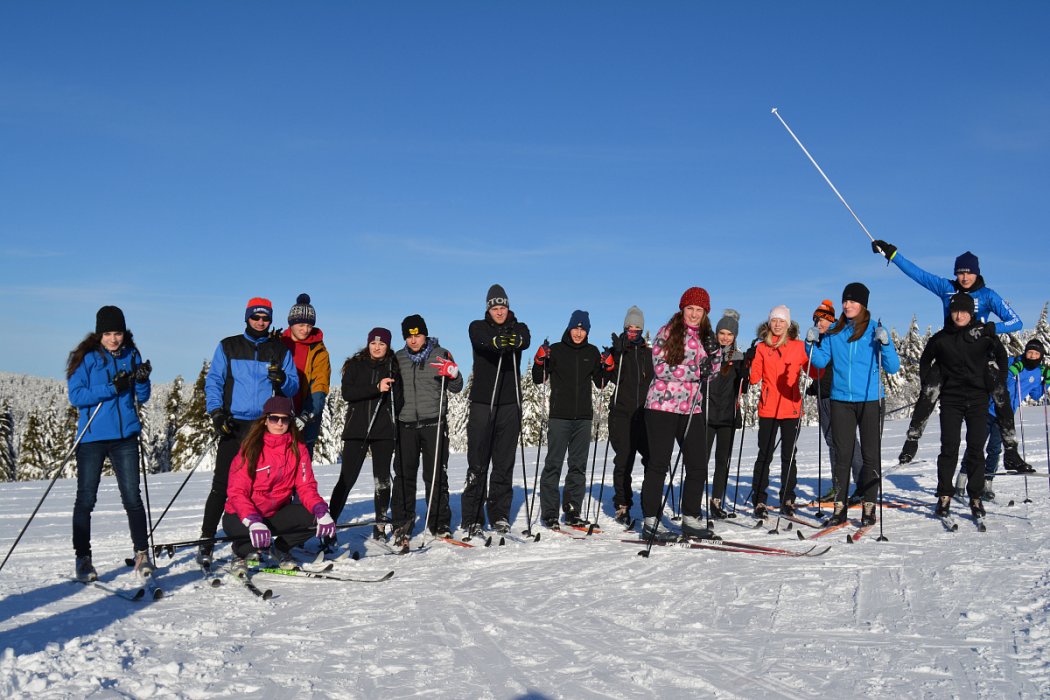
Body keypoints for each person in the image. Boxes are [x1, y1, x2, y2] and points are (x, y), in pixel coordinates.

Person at [869, 241, 1030, 471]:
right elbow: (917, 274)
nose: (964, 277)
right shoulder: (946, 288)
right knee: (929, 390)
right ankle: (912, 440)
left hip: (978, 356)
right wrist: (893, 255)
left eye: (969, 272)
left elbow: (1017, 322)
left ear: (977, 273)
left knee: (1000, 392)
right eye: (960, 272)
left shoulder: (987, 295)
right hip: (950, 353)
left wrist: (991, 328)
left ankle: (1011, 450)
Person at [199, 298, 298, 567]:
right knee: (222, 484)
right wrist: (216, 412)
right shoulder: (229, 346)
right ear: (247, 318)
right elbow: (215, 381)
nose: (261, 322)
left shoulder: (278, 349)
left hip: (264, 426)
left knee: (263, 486)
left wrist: (283, 381)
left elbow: (292, 386)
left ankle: (252, 543)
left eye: (265, 318)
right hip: (234, 424)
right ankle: (206, 540)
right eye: (256, 318)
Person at [67, 305, 154, 581]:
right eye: (108, 333)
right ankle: (83, 559)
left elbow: (143, 396)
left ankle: (142, 554)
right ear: (99, 334)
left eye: (117, 333)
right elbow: (77, 396)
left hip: (125, 436)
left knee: (132, 497)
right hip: (92, 438)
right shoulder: (88, 358)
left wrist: (141, 379)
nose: (113, 339)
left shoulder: (131, 354)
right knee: (86, 499)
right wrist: (111, 388)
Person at [806, 283, 901, 526]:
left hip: (870, 400)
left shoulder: (874, 330)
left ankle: (868, 507)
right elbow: (820, 361)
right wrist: (810, 343)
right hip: (841, 401)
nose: (847, 305)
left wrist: (886, 343)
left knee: (870, 455)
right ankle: (839, 508)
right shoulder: (835, 332)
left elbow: (892, 367)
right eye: (845, 301)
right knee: (842, 455)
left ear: (863, 304)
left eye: (853, 301)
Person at [222, 396, 336, 574]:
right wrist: (253, 521)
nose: (280, 423)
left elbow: (306, 487)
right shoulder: (250, 448)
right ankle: (240, 552)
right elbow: (237, 492)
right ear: (265, 420)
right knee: (254, 544)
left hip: (274, 513)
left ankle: (281, 548)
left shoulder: (298, 449)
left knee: (314, 518)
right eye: (274, 418)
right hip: (241, 515)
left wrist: (321, 510)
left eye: (285, 418)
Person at [641, 287, 719, 540]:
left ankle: (690, 517)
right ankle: (651, 520)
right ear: (682, 309)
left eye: (699, 310)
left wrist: (715, 354)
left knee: (697, 463)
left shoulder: (708, 336)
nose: (694, 314)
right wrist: (697, 371)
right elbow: (662, 368)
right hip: (661, 406)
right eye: (690, 309)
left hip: (691, 407)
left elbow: (713, 371)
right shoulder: (668, 332)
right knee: (658, 464)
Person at [923, 293, 1008, 520]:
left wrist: (999, 379)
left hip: (978, 399)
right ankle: (944, 496)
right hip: (951, 400)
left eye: (964, 311)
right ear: (950, 313)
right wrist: (929, 383)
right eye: (955, 311)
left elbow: (1001, 354)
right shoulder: (942, 338)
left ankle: (975, 496)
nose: (959, 315)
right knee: (949, 447)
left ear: (971, 313)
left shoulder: (982, 335)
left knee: (976, 448)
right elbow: (925, 359)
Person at [461, 284, 531, 537]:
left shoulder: (518, 327)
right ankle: (472, 517)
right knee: (478, 462)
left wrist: (515, 340)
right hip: (483, 402)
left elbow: (525, 338)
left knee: (503, 463)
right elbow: (481, 340)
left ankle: (500, 514)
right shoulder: (477, 326)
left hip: (510, 403)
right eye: (495, 308)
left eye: (503, 307)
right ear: (488, 309)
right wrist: (496, 341)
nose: (499, 312)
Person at [531, 310, 612, 529]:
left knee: (578, 466)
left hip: (583, 418)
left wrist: (609, 367)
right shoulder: (556, 350)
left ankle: (573, 510)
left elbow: (601, 383)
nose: (578, 332)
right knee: (553, 465)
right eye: (575, 328)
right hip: (559, 416)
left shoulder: (592, 352)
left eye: (582, 329)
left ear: (587, 331)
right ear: (569, 328)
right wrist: (540, 361)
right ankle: (549, 513)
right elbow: (539, 379)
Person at [390, 315, 463, 543]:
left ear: (425, 334)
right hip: (406, 425)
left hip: (434, 423)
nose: (414, 340)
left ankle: (439, 522)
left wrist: (454, 374)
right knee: (404, 476)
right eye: (409, 336)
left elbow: (457, 387)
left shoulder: (440, 354)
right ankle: (402, 522)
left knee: (436, 475)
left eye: (418, 335)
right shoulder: (398, 358)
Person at [329, 328, 402, 539]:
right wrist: (376, 387)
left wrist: (393, 391)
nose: (377, 348)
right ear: (368, 344)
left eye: (382, 344)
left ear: (387, 346)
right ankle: (329, 524)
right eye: (373, 343)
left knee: (382, 480)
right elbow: (348, 393)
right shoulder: (355, 365)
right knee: (346, 479)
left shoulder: (393, 366)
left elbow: (399, 399)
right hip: (357, 430)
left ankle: (380, 526)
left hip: (383, 431)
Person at [746, 305, 809, 520]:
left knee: (788, 456)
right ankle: (760, 499)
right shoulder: (763, 348)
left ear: (788, 324)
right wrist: (751, 357)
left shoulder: (799, 347)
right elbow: (754, 378)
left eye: (782, 321)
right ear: (769, 323)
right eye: (774, 320)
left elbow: (816, 371)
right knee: (764, 455)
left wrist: (816, 350)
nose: (778, 324)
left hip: (791, 407)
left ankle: (787, 498)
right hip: (768, 408)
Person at [807, 299, 863, 502]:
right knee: (832, 441)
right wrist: (814, 386)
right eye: (817, 320)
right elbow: (817, 369)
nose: (819, 323)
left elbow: (839, 367)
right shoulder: (817, 340)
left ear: (832, 321)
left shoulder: (836, 337)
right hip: (824, 396)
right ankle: (838, 486)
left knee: (847, 441)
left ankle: (862, 485)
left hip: (839, 396)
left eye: (823, 320)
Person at [984, 339, 1049, 501]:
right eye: (1030, 352)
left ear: (1040, 356)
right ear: (1025, 351)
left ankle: (987, 484)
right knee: (975, 447)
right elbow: (995, 377)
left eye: (1036, 354)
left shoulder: (1036, 372)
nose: (1032, 356)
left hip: (1005, 415)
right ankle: (962, 481)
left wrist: (1046, 381)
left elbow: (1035, 395)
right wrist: (1011, 370)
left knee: (994, 449)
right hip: (986, 410)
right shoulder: (1012, 362)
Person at [607, 306, 653, 525]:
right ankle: (622, 505)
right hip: (622, 414)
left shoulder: (648, 354)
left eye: (637, 328)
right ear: (624, 328)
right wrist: (616, 354)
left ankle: (649, 504)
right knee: (624, 460)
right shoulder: (619, 351)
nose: (633, 331)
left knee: (653, 460)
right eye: (629, 327)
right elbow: (610, 379)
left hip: (645, 415)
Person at [704, 309, 749, 520]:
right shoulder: (707, 354)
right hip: (706, 415)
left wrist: (746, 369)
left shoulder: (738, 358)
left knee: (723, 461)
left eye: (729, 334)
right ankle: (695, 501)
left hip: (728, 416)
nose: (725, 337)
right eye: (722, 333)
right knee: (700, 461)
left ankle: (716, 501)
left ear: (735, 336)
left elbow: (745, 386)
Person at [280, 293, 330, 458]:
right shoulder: (277, 344)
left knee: (302, 465)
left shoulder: (319, 350)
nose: (305, 329)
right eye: (301, 324)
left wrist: (308, 413)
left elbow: (320, 385)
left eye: (309, 325)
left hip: (305, 416)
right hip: (278, 416)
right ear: (291, 323)